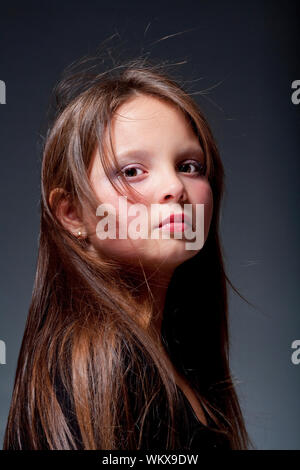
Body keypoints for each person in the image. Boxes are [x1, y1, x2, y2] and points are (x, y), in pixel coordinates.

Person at [3, 50, 252, 450]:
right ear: (71, 214)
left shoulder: (173, 360)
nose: (174, 187)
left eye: (190, 165)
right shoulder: (103, 364)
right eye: (131, 171)